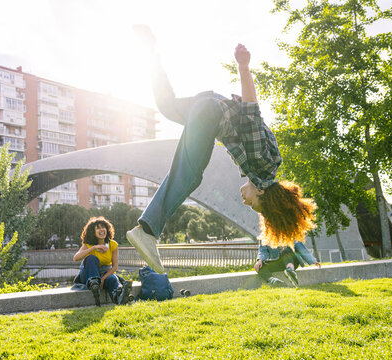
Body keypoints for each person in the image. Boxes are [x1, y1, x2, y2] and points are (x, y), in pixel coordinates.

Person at [127, 25, 317, 274]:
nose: (246, 203)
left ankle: (149, 50)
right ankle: (148, 231)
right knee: (190, 174)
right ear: (261, 190)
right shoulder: (264, 164)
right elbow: (251, 113)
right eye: (253, 205)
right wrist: (243, 66)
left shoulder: (258, 168)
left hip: (206, 106)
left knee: (166, 106)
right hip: (211, 115)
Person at [73, 216, 132, 306]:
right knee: (91, 258)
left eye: (103, 227)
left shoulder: (113, 245)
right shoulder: (88, 245)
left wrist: (103, 278)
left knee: (112, 278)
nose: (101, 230)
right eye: (98, 228)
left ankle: (119, 296)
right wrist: (94, 247)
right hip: (88, 275)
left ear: (107, 229)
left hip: (104, 274)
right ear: (93, 232)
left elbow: (114, 267)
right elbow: (75, 258)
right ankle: (94, 284)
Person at [255, 241, 321, 287]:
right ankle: (273, 281)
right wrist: (259, 260)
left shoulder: (288, 231)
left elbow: (300, 247)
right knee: (259, 266)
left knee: (285, 251)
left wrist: (313, 260)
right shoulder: (265, 236)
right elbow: (262, 251)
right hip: (278, 262)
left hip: (292, 260)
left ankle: (290, 271)